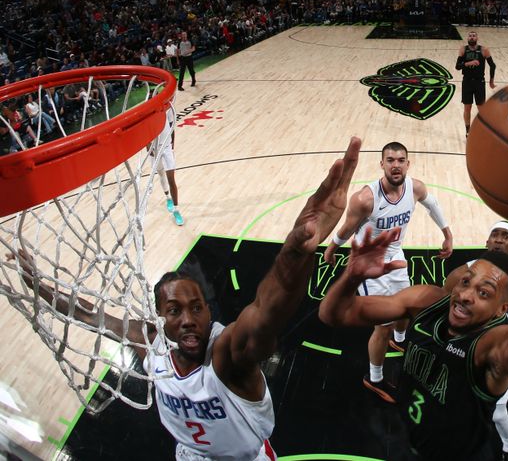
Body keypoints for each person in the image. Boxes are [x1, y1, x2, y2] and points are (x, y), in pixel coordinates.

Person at [10, 137, 363, 461]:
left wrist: (294, 253)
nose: (188, 319)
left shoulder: (228, 354)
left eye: (197, 307)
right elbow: (87, 314)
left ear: (210, 312)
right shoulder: (150, 343)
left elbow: (266, 313)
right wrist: (36, 281)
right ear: (159, 317)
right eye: (174, 310)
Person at [320, 142, 508, 460]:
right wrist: (351, 276)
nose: (465, 294)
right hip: (410, 438)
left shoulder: (492, 347)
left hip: (456, 454)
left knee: (500, 414)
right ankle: (379, 370)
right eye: (466, 281)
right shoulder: (430, 300)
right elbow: (332, 315)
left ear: (503, 309)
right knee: (385, 328)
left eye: (483, 292)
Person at [323, 141, 454, 404]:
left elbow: (433, 205)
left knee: (404, 306)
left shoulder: (415, 188)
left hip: (395, 254)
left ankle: (400, 339)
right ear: (381, 164)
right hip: (369, 263)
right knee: (381, 326)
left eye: (401, 160)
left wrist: (447, 234)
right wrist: (332, 247)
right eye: (390, 160)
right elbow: (348, 226)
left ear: (408, 163)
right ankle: (374, 377)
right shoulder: (365, 198)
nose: (396, 165)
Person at [442, 220, 508, 461]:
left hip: (496, 347)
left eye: (505, 236)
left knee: (498, 412)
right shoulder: (464, 272)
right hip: (464, 344)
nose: (498, 240)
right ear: (486, 243)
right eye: (494, 235)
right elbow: (444, 296)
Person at [456, 31, 496, 138]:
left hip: (479, 82)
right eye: (470, 36)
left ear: (477, 38)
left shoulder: (484, 50)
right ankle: (468, 130)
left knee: (481, 108)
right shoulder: (463, 49)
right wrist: (468, 63)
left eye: (474, 36)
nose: (472, 37)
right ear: (467, 38)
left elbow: (493, 66)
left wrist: (491, 81)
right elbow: (457, 66)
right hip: (467, 81)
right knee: (467, 107)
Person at [149, 106, 183, 225]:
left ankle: (176, 210)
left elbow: (172, 126)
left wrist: (173, 144)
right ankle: (168, 197)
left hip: (167, 146)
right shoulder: (147, 113)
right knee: (161, 174)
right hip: (154, 149)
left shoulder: (167, 108)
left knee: (171, 179)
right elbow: (145, 133)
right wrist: (148, 147)